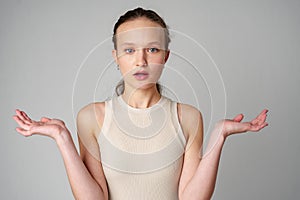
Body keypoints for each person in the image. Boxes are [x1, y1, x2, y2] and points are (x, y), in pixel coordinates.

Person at [13, 7, 268, 200]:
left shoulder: (188, 117)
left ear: (166, 56)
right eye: (129, 50)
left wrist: (219, 135)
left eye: (153, 49)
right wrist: (62, 138)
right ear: (116, 56)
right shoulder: (92, 117)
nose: (141, 61)